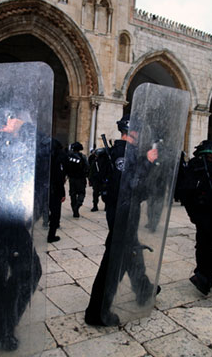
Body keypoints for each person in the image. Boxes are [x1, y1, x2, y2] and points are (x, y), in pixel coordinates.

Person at [0, 114, 43, 351]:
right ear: (8, 119)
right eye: (20, 118)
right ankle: (3, 325)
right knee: (26, 270)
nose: (25, 123)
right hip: (1, 218)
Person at [85, 114, 158, 326]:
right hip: (122, 213)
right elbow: (129, 186)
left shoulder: (127, 152)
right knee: (114, 262)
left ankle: (143, 290)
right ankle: (97, 312)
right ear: (132, 131)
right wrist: (148, 163)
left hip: (125, 212)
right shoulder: (123, 154)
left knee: (131, 251)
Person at [177, 140, 212, 295]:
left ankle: (204, 275)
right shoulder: (196, 169)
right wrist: (194, 214)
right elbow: (185, 194)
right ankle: (204, 277)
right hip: (208, 215)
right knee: (211, 247)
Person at [48, 138, 66, 242]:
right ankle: (51, 236)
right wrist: (62, 193)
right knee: (55, 214)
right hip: (54, 191)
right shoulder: (59, 159)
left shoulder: (44, 156)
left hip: (43, 189)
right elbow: (59, 178)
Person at [66, 141, 89, 217]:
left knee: (73, 195)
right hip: (81, 179)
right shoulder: (83, 157)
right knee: (81, 194)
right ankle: (77, 207)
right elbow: (87, 167)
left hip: (72, 179)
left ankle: (75, 210)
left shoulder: (69, 157)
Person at [88, 148, 104, 212]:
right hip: (100, 180)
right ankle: (96, 205)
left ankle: (95, 206)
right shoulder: (95, 162)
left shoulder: (96, 162)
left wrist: (90, 179)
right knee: (98, 193)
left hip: (99, 180)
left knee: (96, 193)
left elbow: (91, 172)